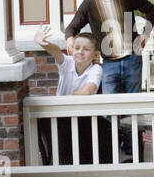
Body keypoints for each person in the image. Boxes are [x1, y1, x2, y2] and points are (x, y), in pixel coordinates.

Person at [64, 0, 154, 94]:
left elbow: (151, 9)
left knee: (133, 103)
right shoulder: (89, 5)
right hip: (109, 63)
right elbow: (71, 28)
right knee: (108, 106)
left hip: (133, 58)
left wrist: (146, 33)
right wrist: (69, 39)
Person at [33, 24, 105, 165]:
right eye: (77, 48)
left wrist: (67, 99)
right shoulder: (67, 63)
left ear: (96, 54)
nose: (80, 52)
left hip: (84, 119)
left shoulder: (96, 69)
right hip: (61, 118)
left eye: (86, 49)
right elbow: (56, 52)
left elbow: (89, 89)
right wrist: (44, 43)